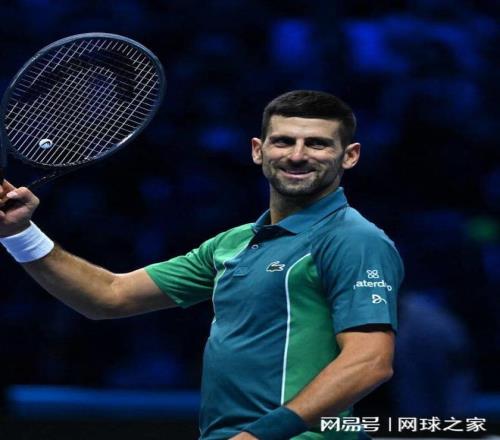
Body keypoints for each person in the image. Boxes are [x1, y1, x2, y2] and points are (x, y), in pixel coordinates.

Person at [0, 90, 404, 440]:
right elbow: (109, 296)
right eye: (283, 141)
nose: (297, 155)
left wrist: (259, 435)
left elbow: (369, 362)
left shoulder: (352, 239)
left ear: (349, 156)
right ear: (258, 150)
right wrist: (19, 232)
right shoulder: (232, 243)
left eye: (317, 144)